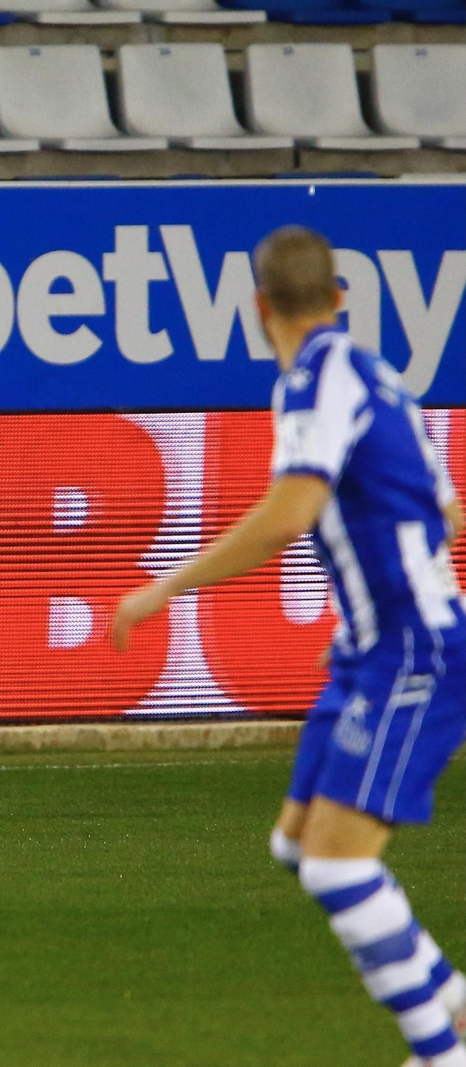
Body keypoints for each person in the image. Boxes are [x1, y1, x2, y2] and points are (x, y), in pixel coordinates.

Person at [113, 226, 466, 1067]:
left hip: (412, 651)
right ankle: (449, 997)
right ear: (340, 297)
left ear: (257, 308)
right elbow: (444, 512)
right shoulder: (381, 375)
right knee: (296, 845)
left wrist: (165, 585)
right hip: (378, 644)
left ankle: (439, 1051)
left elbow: (290, 512)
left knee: (341, 871)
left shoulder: (313, 383)